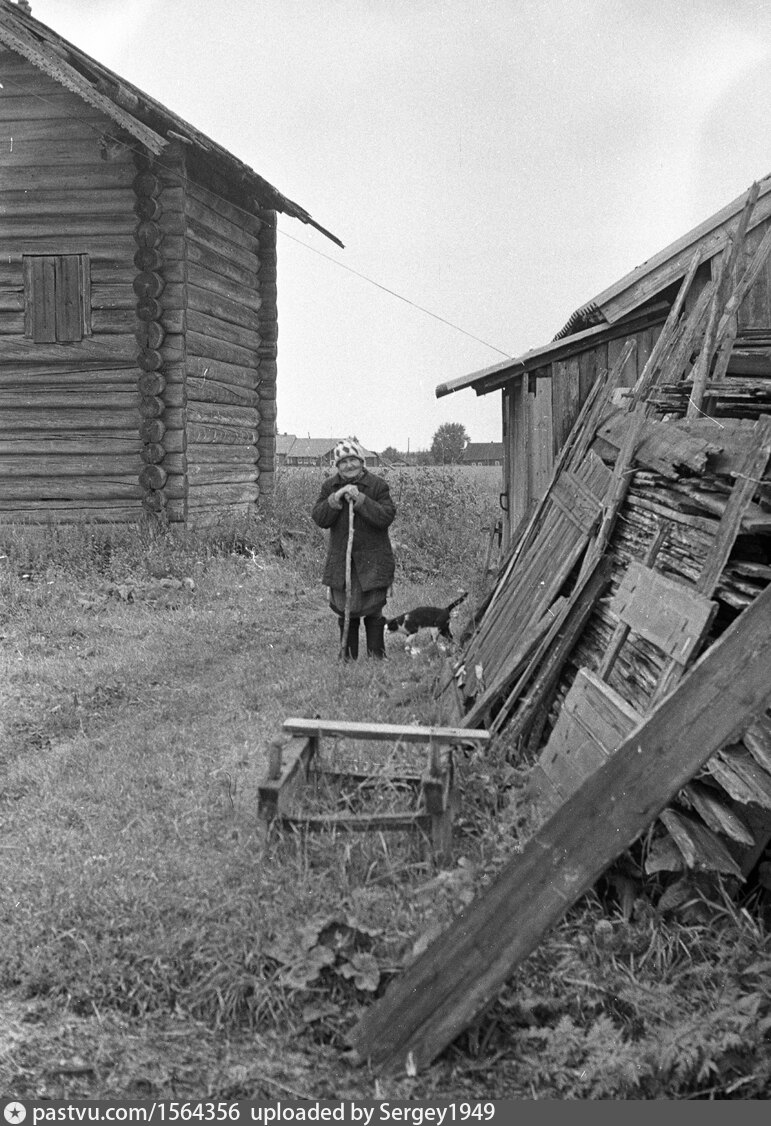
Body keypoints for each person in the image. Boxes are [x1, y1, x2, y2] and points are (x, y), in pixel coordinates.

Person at [311, 439, 396, 660]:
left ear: (361, 461)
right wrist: (335, 499)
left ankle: (377, 656)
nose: (349, 466)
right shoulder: (330, 486)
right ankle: (348, 658)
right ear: (337, 466)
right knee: (345, 608)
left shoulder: (377, 485)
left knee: (374, 608)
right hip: (342, 561)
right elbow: (320, 518)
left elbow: (385, 517)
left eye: (353, 460)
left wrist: (360, 499)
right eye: (343, 462)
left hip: (372, 560)